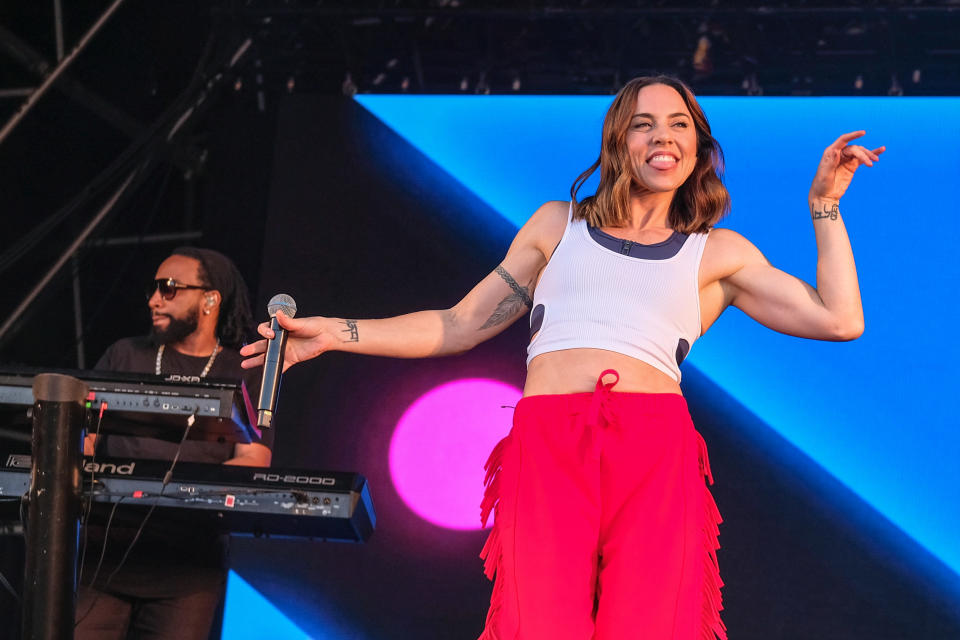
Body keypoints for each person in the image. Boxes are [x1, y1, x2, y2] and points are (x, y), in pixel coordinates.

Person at [240, 76, 882, 640]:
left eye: (679, 124)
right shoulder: (557, 227)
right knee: (538, 624)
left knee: (650, 627)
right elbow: (456, 324)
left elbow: (840, 319)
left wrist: (824, 206)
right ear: (618, 142)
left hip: (653, 449)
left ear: (698, 147)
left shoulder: (717, 254)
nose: (664, 136)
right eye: (644, 124)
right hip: (549, 444)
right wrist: (333, 334)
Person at [77, 247, 273, 640]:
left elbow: (254, 458)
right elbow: (83, 438)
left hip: (188, 569)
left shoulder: (244, 368)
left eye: (168, 288)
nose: (153, 300)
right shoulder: (125, 354)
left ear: (210, 299)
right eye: (153, 289)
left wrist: (178, 492)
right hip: (103, 558)